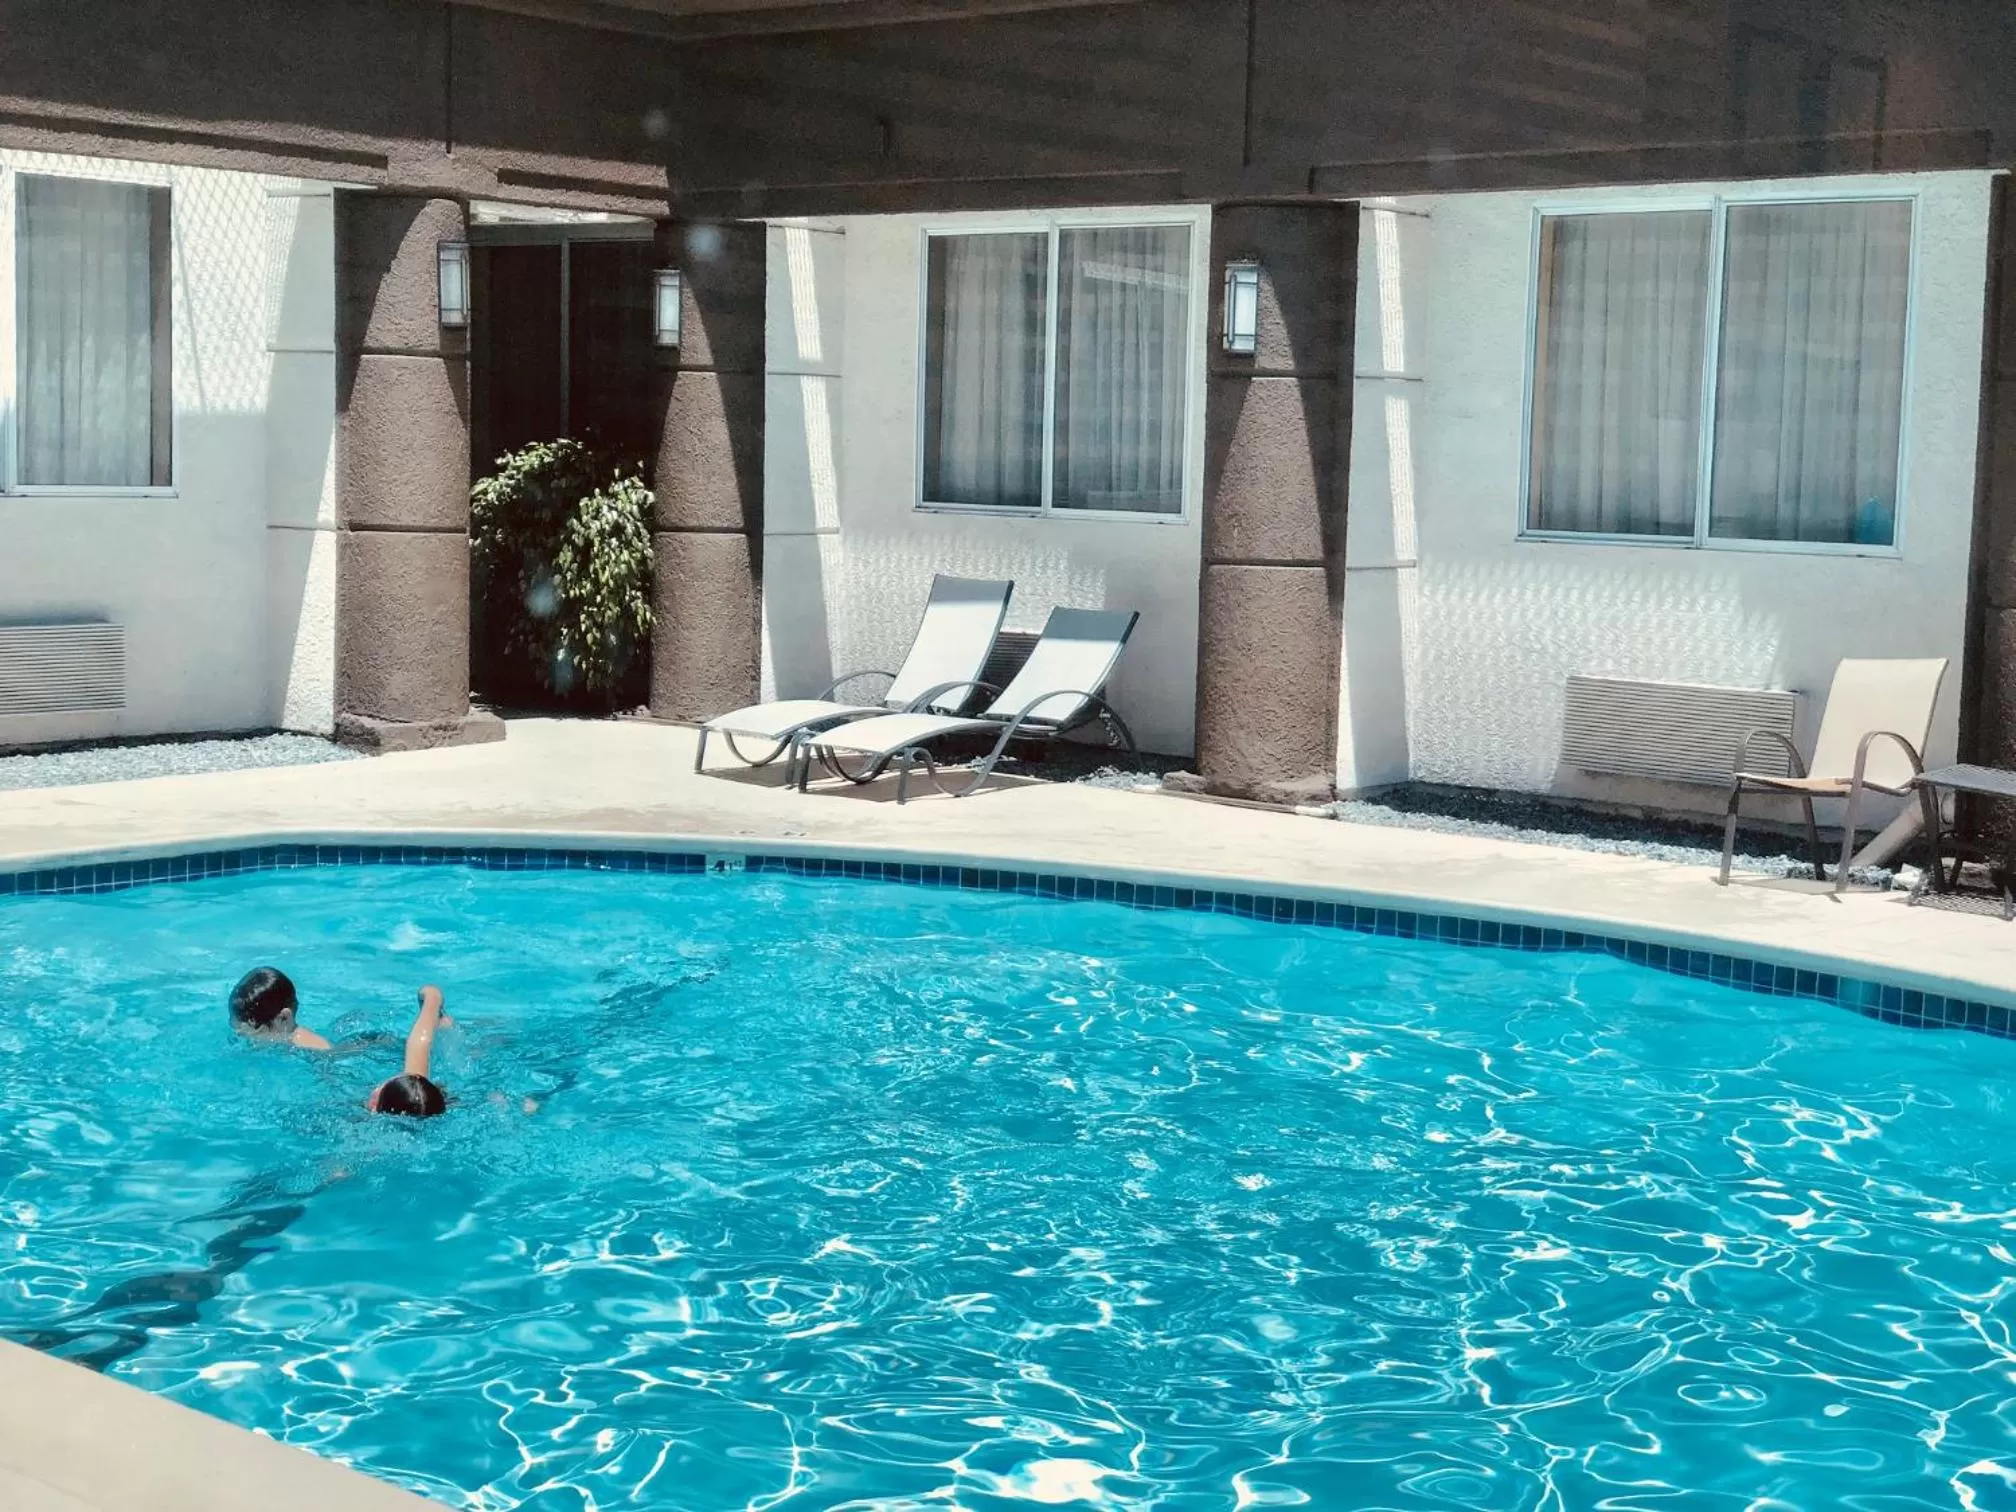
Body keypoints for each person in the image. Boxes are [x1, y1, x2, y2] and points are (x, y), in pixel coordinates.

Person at [368, 985, 453, 1118]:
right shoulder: (416, 1090)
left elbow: (432, 993)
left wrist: (431, 997)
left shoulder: (415, 1080)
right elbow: (433, 995)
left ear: (373, 1105)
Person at [228, 967, 332, 1050]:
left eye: (255, 1033)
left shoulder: (317, 1051)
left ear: (284, 1018)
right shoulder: (282, 1039)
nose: (248, 1040)